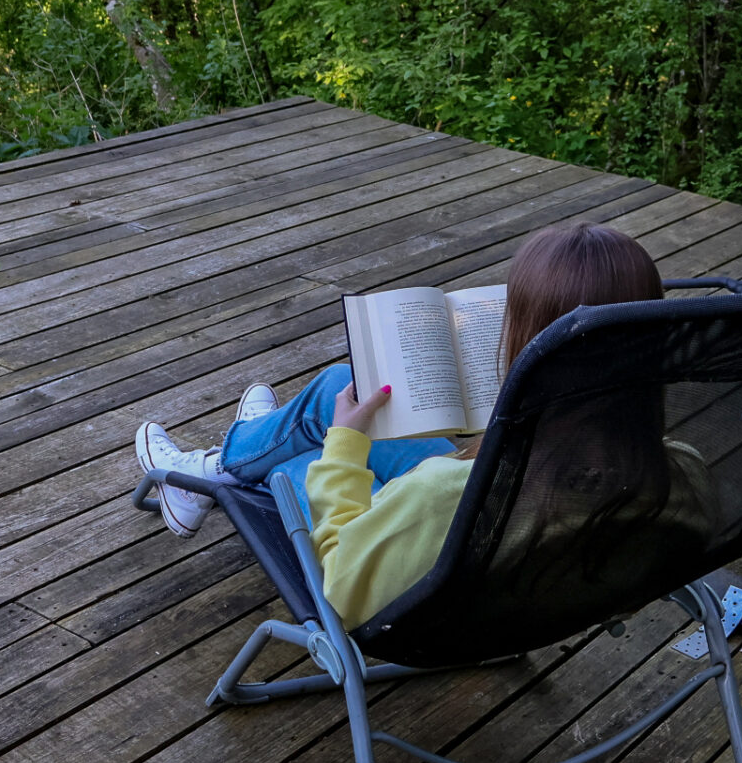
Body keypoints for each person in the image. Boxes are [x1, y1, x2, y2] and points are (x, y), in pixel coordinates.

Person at [134, 221, 664, 630]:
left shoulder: (441, 493)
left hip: (437, 594)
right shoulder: (673, 472)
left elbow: (341, 587)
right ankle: (239, 452)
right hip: (518, 551)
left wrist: (344, 448)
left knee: (305, 457)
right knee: (344, 386)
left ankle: (212, 474)